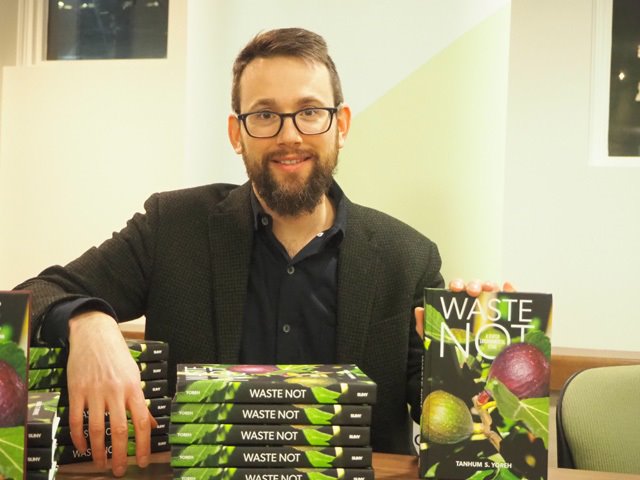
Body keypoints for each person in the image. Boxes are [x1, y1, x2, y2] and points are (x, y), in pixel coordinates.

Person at [15, 27, 505, 477]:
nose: (290, 133)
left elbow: (454, 426)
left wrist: (476, 357)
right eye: (266, 114)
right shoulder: (173, 227)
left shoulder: (409, 257)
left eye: (311, 111)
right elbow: (32, 296)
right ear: (237, 133)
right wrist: (89, 322)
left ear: (341, 126)